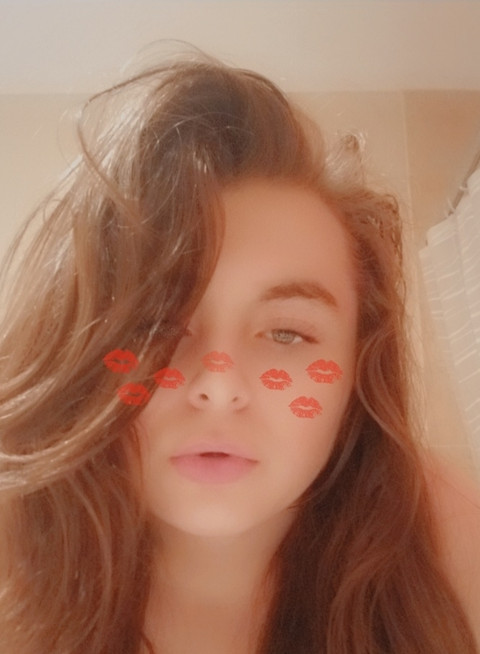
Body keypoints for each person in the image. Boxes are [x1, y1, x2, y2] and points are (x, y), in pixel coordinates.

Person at [0, 52, 479, 654]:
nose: (219, 386)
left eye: (287, 334)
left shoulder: (449, 539)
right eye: (157, 325)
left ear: (354, 376)